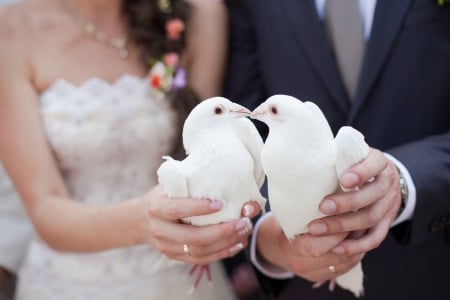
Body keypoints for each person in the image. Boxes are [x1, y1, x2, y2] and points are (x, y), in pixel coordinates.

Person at [0, 0, 262, 299]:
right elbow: (44, 207)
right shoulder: (12, 30)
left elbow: (203, 154)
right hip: (67, 283)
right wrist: (141, 222)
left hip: (182, 278)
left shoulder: (201, 14)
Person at [224, 0, 450, 299]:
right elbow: (244, 129)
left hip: (432, 266)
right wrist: (265, 233)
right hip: (302, 283)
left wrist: (407, 178)